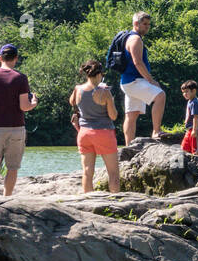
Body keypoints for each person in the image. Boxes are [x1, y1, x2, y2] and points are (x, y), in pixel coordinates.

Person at [0, 44, 38, 196]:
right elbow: (24, 106)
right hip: (16, 128)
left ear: (0, 58)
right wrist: (34, 103)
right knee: (12, 167)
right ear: (16, 58)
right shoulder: (20, 78)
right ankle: (7, 197)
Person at [69, 60, 121, 194]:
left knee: (87, 172)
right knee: (113, 174)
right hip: (104, 133)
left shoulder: (77, 89)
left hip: (85, 133)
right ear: (99, 75)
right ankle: (115, 202)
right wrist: (111, 100)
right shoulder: (105, 92)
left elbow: (72, 102)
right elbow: (113, 115)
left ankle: (88, 202)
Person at [120, 11, 166, 145]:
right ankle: (156, 131)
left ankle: (129, 147)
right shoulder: (135, 39)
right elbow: (137, 62)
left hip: (128, 82)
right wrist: (151, 81)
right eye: (144, 24)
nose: (147, 27)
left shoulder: (129, 37)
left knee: (131, 114)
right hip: (134, 81)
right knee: (160, 96)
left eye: (148, 24)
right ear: (136, 24)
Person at [181, 80, 198, 154]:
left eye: (187, 91)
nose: (184, 94)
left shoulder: (195, 102)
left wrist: (195, 130)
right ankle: (185, 164)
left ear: (193, 91)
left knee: (196, 149)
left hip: (195, 129)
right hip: (189, 129)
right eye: (183, 92)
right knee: (184, 147)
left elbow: (195, 117)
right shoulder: (190, 101)